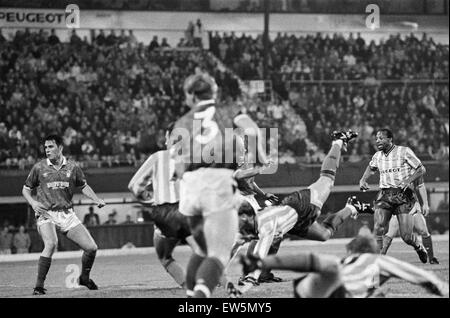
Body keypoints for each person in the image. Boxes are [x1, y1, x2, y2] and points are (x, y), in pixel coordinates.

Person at [168, 72, 268, 298]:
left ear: (192, 95)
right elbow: (252, 130)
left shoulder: (182, 122)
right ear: (213, 93)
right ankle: (202, 297)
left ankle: (192, 297)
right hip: (218, 183)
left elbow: (176, 161)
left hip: (190, 190)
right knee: (219, 254)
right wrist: (261, 158)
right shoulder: (228, 111)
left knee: (202, 249)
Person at [237, 130, 362, 288]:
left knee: (323, 235)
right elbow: (239, 175)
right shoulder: (232, 167)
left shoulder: (241, 163)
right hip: (299, 206)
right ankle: (337, 141)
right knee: (327, 179)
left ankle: (351, 207)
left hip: (293, 214)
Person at [22, 134, 105, 295]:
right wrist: (33, 203)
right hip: (46, 213)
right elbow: (25, 189)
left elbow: (84, 186)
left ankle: (84, 278)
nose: (47, 150)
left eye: (51, 147)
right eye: (45, 147)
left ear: (60, 148)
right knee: (51, 243)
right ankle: (39, 286)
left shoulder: (73, 167)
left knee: (91, 248)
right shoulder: (39, 167)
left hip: (66, 214)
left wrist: (96, 199)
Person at [240, 234, 449, 298]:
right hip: (339, 289)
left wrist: (263, 262)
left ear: (351, 252)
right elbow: (423, 277)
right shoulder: (378, 260)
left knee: (326, 266)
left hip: (310, 289)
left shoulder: (342, 262)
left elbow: (307, 261)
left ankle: (261, 264)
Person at [359, 128, 428, 262]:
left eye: (381, 138)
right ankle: (377, 265)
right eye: (376, 138)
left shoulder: (404, 151)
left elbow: (421, 169)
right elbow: (371, 167)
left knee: (406, 236)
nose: (377, 141)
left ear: (390, 139)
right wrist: (363, 179)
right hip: (385, 194)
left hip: (403, 196)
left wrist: (408, 181)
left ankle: (419, 246)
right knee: (378, 227)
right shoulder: (377, 156)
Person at [381, 177, 439, 264]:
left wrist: (425, 204)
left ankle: (431, 258)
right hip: (398, 206)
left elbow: (420, 186)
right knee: (390, 233)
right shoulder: (389, 171)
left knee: (423, 230)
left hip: (411, 204)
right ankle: (379, 261)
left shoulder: (412, 170)